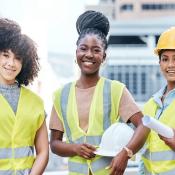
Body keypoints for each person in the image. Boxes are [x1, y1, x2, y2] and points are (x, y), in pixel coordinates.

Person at [49, 10, 149, 175]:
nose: (89, 54)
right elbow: (54, 144)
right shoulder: (61, 94)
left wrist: (125, 153)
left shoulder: (115, 89)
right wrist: (75, 148)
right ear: (76, 53)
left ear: (103, 57)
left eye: (96, 50)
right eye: (83, 48)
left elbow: (144, 125)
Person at [0, 18, 49, 174]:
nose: (11, 63)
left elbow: (43, 151)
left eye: (17, 58)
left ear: (25, 63)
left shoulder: (36, 102)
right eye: (5, 55)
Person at [140, 27, 175, 174]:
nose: (170, 65)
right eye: (165, 59)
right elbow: (145, 156)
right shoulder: (150, 105)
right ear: (159, 63)